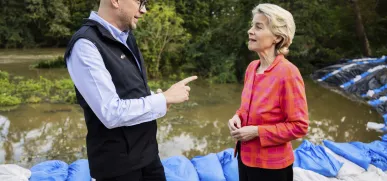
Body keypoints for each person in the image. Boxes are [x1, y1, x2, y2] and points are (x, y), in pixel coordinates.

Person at [64, 0, 197, 180]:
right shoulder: (86, 44)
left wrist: (158, 99)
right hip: (117, 168)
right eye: (140, 2)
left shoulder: (127, 37)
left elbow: (129, 91)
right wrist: (162, 99)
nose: (144, 10)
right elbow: (110, 112)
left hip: (148, 156)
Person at [228, 3, 309, 181]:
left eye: (258, 27)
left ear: (277, 38)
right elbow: (246, 108)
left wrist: (257, 131)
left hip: (272, 168)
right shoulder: (252, 68)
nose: (250, 31)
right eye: (252, 25)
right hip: (245, 157)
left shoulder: (288, 73)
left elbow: (300, 126)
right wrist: (237, 117)